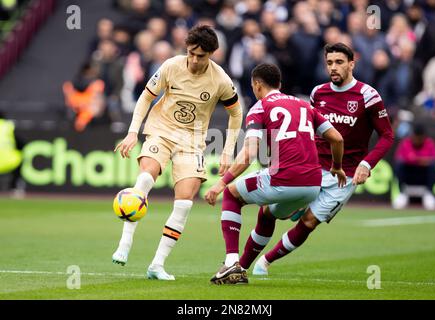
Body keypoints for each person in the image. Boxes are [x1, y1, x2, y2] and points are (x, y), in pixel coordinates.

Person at [241, 43, 394, 276]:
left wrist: (366, 164)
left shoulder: (367, 95)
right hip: (311, 167)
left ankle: (266, 262)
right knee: (268, 212)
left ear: (352, 64)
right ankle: (243, 262)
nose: (334, 67)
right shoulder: (318, 93)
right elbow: (306, 131)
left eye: (339, 62)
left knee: (310, 222)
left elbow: (387, 135)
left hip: (345, 174)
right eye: (330, 63)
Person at [112, 25, 243, 280]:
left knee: (183, 204)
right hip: (161, 130)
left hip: (192, 142)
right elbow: (146, 97)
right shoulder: (172, 65)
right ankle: (125, 242)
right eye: (191, 53)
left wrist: (228, 151)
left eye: (201, 56)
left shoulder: (221, 80)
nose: (194, 60)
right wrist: (132, 132)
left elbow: (236, 113)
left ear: (212, 54)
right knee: (146, 177)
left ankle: (157, 265)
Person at [204, 63, 346, 285]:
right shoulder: (304, 106)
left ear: (257, 85)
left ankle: (231, 262)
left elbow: (250, 152)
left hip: (285, 178)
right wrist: (337, 166)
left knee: (232, 194)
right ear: (279, 84)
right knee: (267, 214)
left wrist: (220, 183)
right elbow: (337, 138)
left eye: (253, 86)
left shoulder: (260, 107)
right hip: (312, 186)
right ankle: (241, 269)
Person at [392, 123, 435, 211]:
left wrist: (415, 159)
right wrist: (423, 160)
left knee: (433, 166)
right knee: (399, 165)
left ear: (424, 137)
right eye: (416, 137)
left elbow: (434, 158)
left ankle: (429, 194)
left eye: (420, 138)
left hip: (423, 175)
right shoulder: (406, 142)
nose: (417, 140)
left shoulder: (430, 143)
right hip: (409, 174)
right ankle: (402, 193)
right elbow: (400, 158)